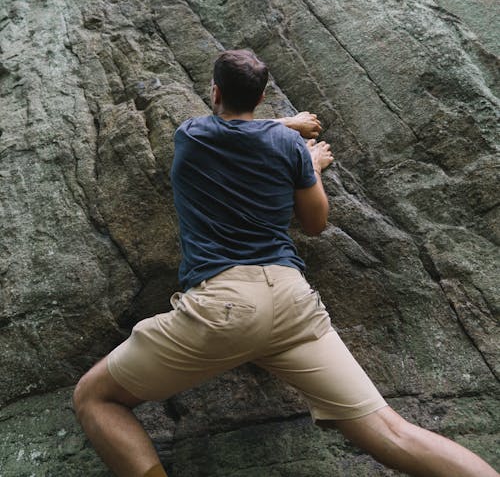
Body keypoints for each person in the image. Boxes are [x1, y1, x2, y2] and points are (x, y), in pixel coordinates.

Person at [74, 50, 499, 477]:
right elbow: (316, 223)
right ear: (260, 99)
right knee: (394, 432)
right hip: (293, 303)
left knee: (94, 397)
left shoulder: (192, 134)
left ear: (215, 91)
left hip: (224, 305)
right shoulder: (289, 149)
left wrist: (291, 134)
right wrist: (307, 162)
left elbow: (238, 131)